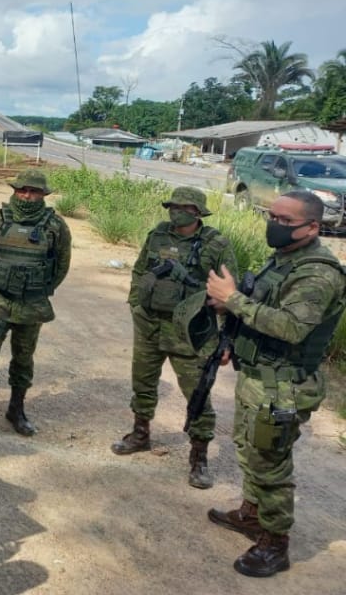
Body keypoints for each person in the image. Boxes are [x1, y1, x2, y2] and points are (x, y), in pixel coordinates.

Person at [204, 190, 345, 577]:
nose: (275, 225)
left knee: (270, 466)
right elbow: (262, 310)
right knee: (249, 450)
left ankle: (275, 545)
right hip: (259, 377)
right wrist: (230, 327)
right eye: (272, 216)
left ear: (312, 227)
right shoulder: (284, 259)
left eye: (286, 221)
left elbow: (292, 327)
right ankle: (252, 515)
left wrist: (233, 298)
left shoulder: (317, 273)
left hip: (284, 386)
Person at [111, 186, 238, 489]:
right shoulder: (158, 235)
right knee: (143, 383)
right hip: (150, 325)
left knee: (197, 394)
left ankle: (199, 457)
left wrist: (227, 339)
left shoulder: (216, 244)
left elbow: (230, 293)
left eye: (184, 208)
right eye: (173, 206)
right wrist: (136, 303)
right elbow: (140, 270)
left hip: (190, 332)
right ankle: (140, 434)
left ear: (198, 212)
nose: (176, 212)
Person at [0, 169, 71, 443]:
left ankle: (16, 410)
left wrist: (36, 287)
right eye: (22, 190)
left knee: (23, 360)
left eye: (33, 191)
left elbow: (61, 265)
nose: (27, 196)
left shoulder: (56, 226)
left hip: (31, 305)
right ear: (14, 190)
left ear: (43, 194)